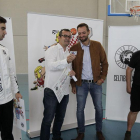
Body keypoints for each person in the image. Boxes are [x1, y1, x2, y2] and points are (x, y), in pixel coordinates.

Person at [70, 23, 108, 140]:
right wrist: (73, 84)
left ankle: (99, 131)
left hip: (96, 83)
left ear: (88, 32)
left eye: (83, 33)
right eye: (79, 33)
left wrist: (102, 78)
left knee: (99, 108)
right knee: (80, 109)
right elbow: (71, 68)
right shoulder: (74, 48)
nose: (81, 35)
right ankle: (81, 132)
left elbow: (105, 63)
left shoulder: (97, 45)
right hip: (81, 84)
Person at [40, 29, 76, 140]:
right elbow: (50, 66)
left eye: (69, 36)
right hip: (51, 90)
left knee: (60, 118)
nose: (67, 38)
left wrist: (71, 73)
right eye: (65, 36)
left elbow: (66, 69)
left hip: (64, 91)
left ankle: (57, 137)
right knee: (48, 119)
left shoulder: (68, 52)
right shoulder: (51, 50)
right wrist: (66, 61)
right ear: (59, 37)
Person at [0, 16, 22, 140]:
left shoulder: (4, 51)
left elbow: (11, 74)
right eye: (3, 29)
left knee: (7, 133)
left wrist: (16, 91)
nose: (5, 32)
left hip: (7, 100)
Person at [124, 50, 140, 140]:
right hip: (137, 88)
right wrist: (128, 86)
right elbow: (129, 69)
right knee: (133, 111)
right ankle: (128, 132)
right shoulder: (137, 54)